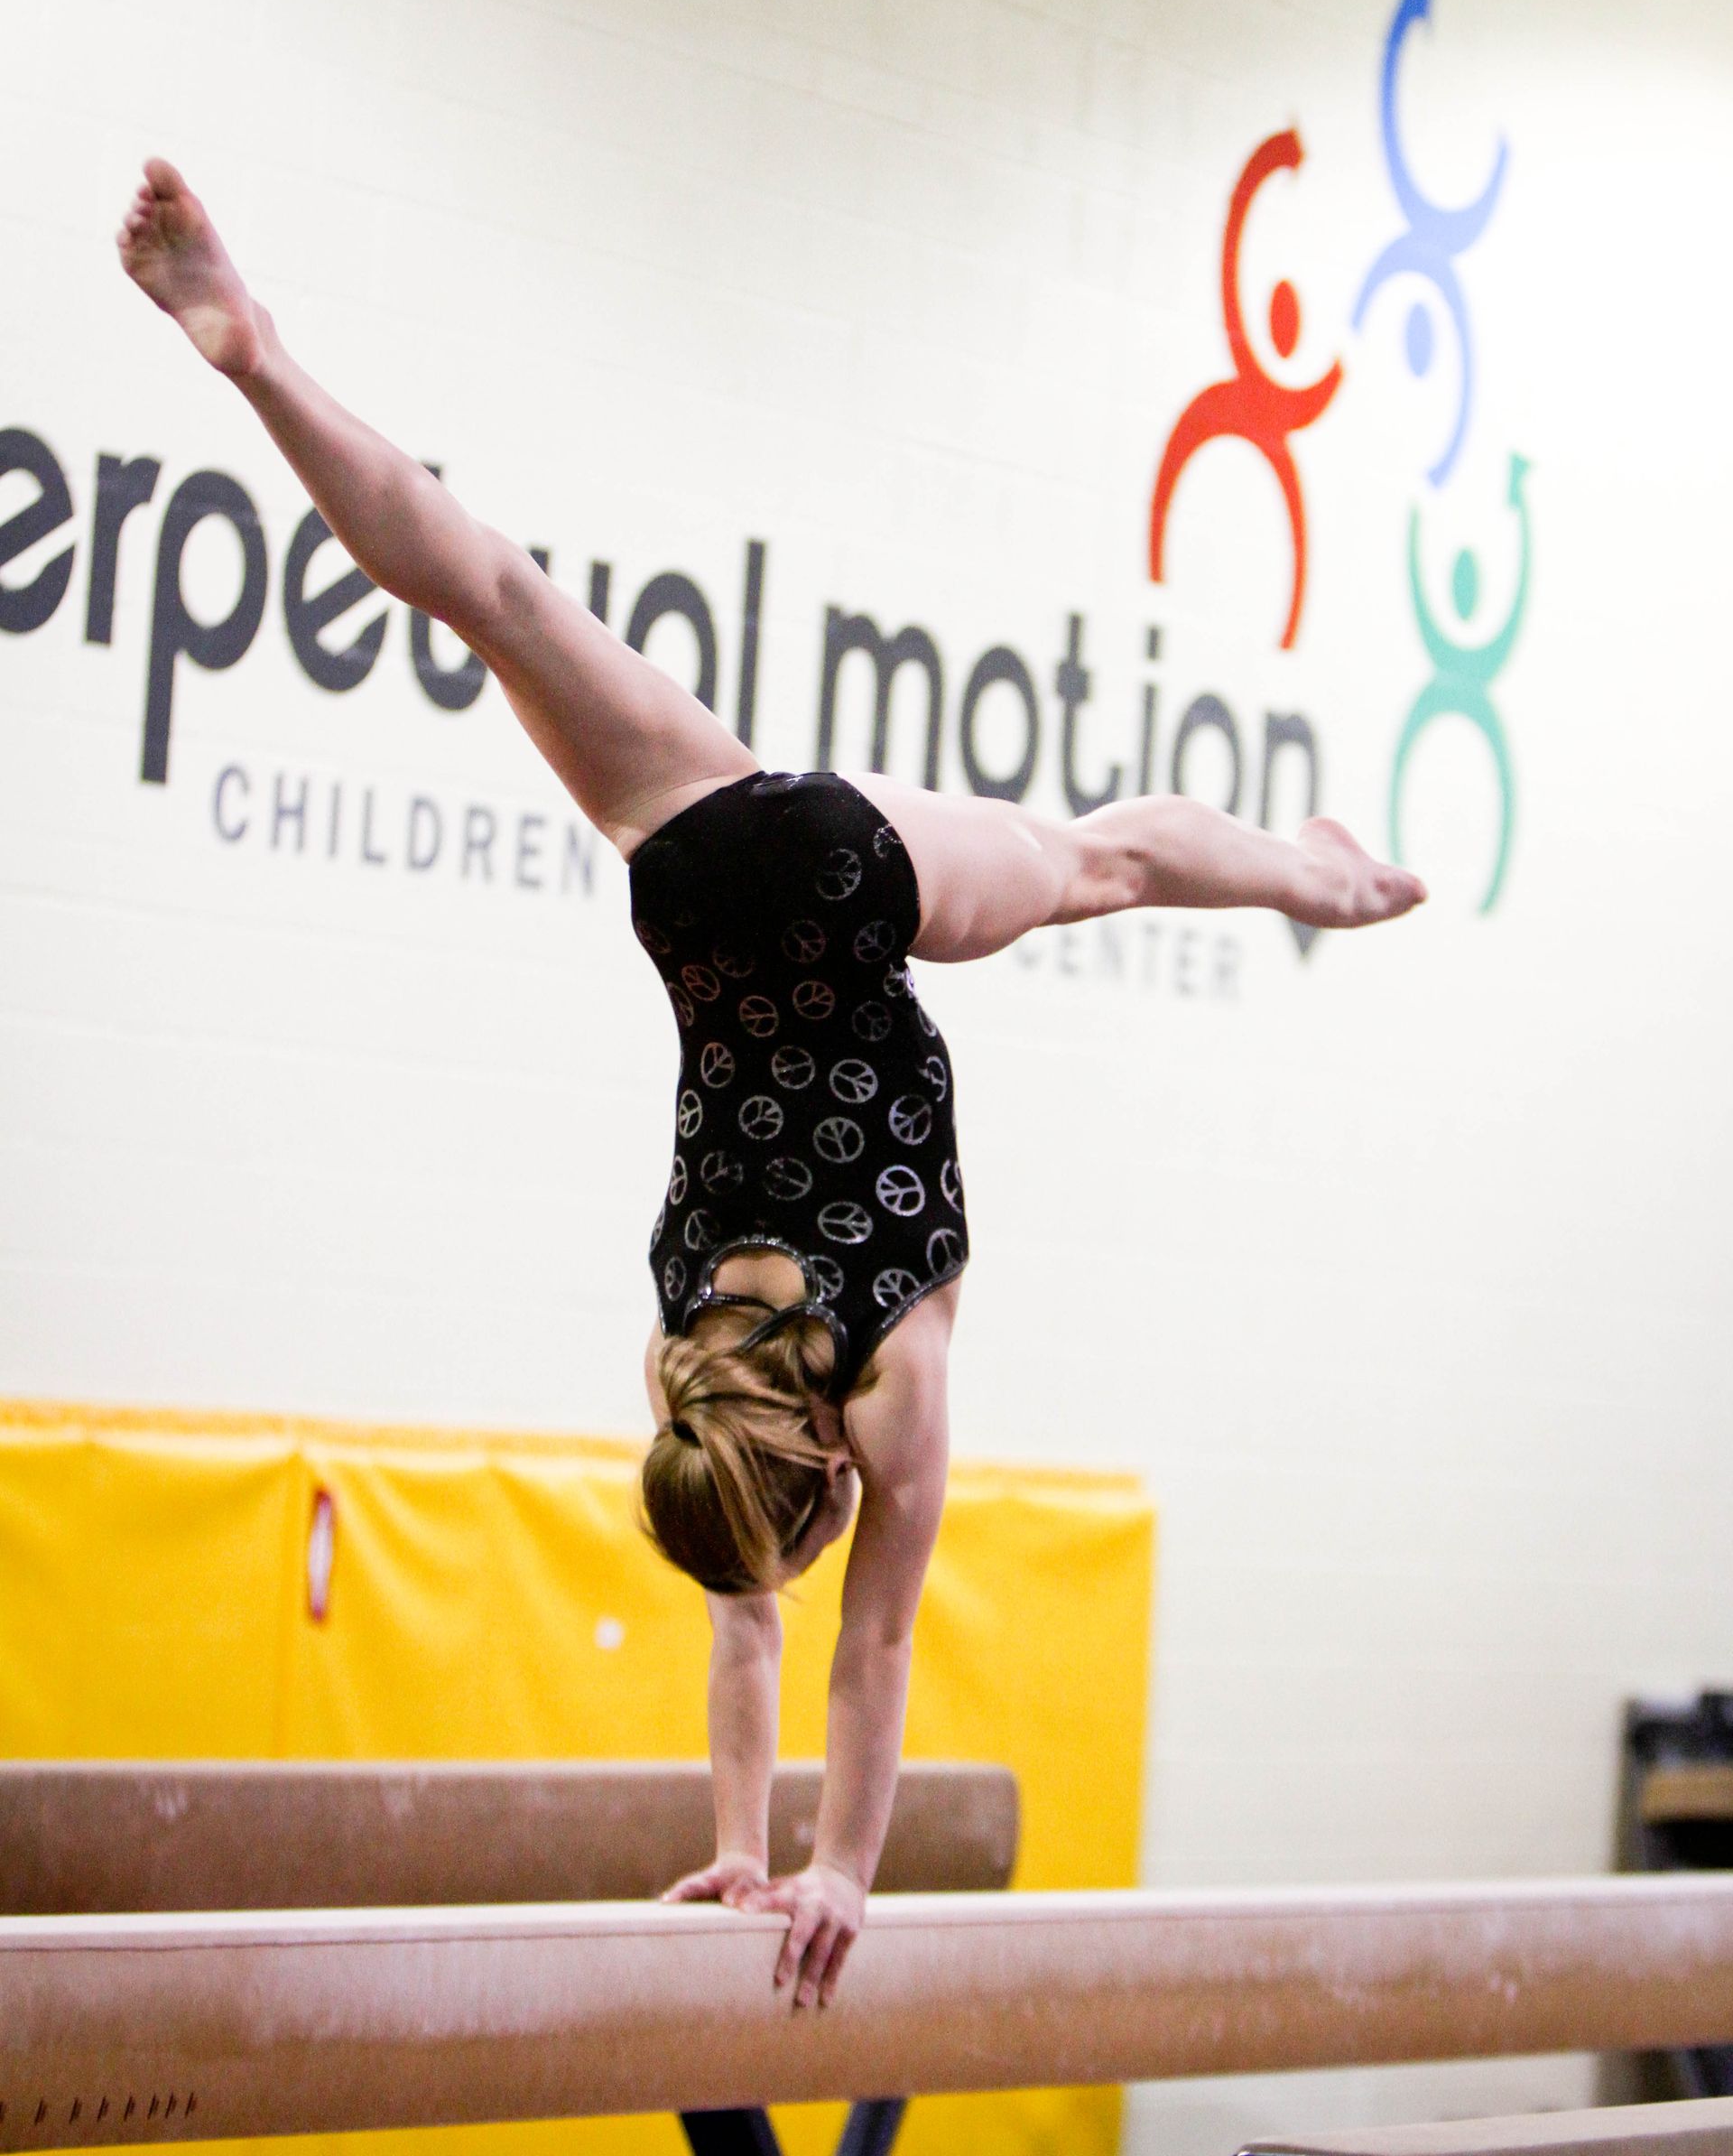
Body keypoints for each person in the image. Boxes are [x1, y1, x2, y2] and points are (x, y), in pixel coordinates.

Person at [117, 158, 1426, 2013]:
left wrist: (831, 1871)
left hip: (847, 897)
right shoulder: (697, 1370)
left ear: (817, 1464)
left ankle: (1325, 877)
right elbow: (766, 1611)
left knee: (1099, 865)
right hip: (712, 888)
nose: (796, 1569)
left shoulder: (884, 1382)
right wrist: (750, 1853)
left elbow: (859, 1647)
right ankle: (252, 357)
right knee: (487, 592)